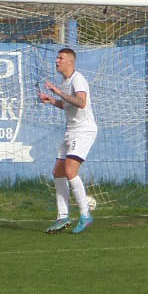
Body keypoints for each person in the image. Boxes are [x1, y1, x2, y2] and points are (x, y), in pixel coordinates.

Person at [37, 45, 97, 233]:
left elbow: (81, 102)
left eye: (61, 58)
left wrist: (58, 92)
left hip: (84, 130)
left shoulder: (78, 79)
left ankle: (85, 215)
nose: (57, 61)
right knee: (58, 172)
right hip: (70, 130)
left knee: (70, 171)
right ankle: (63, 216)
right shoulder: (64, 82)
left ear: (71, 62)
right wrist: (52, 101)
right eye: (57, 58)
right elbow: (68, 105)